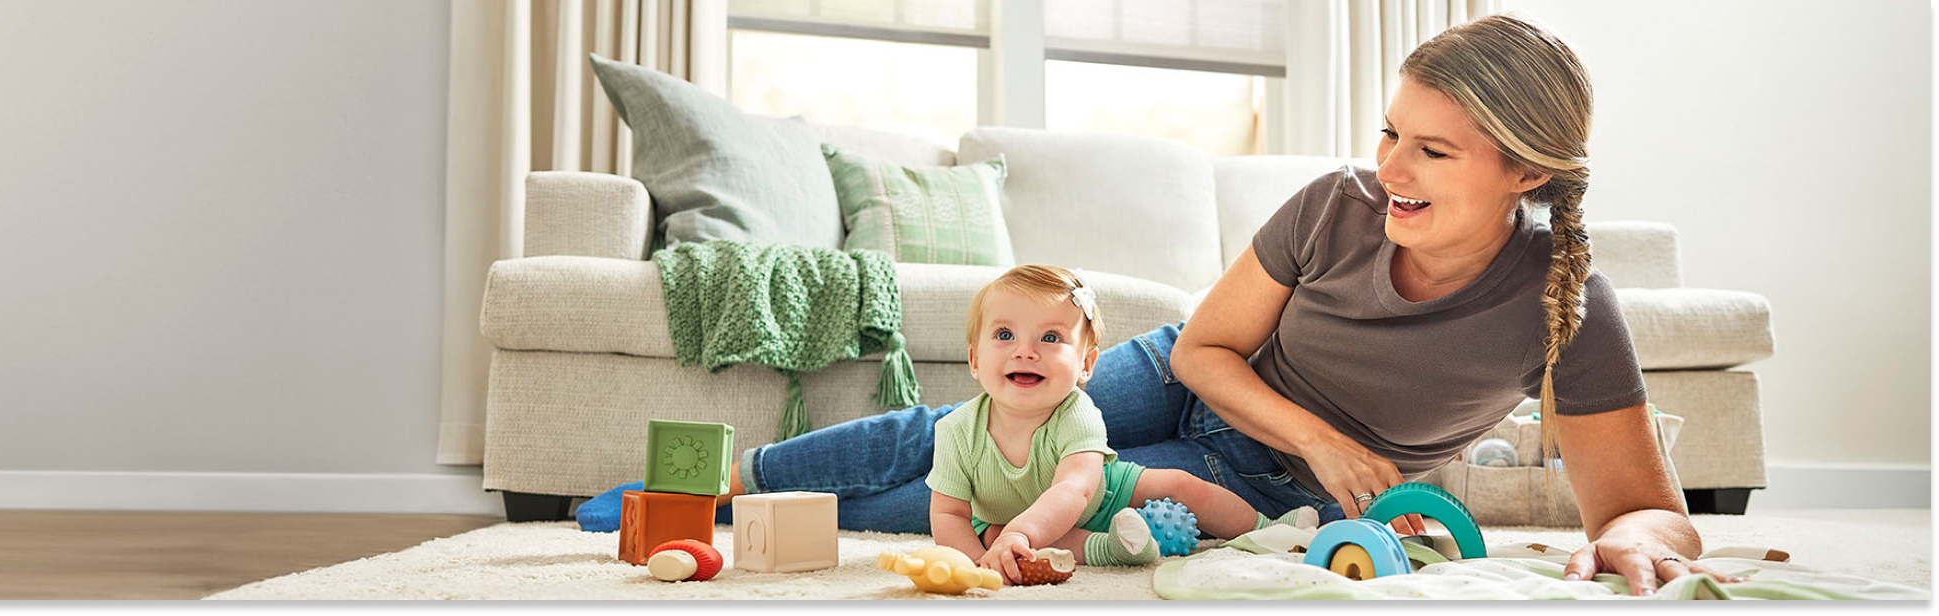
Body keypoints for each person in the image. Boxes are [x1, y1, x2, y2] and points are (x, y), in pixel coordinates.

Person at [584, 14, 1728, 596]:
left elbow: (1642, 506)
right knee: (959, 438)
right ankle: (717, 485)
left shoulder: (1564, 306)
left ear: (1525, 174)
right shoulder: (1331, 208)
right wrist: (1323, 435)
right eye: (1389, 131)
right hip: (1196, 381)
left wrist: (1630, 548)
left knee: (943, 514)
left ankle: (739, 530)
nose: (1390, 167)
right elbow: (1212, 351)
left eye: (1432, 151)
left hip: (1262, 488)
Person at [926, 265, 1272, 583]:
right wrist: (976, 566)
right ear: (974, 360)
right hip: (1009, 521)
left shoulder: (1079, 412)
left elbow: (1074, 490)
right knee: (995, 535)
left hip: (1103, 496)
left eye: (1050, 338)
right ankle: (1114, 549)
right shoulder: (955, 429)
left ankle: (1266, 530)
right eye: (1004, 335)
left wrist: (1021, 533)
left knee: (1184, 486)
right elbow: (949, 513)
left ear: (1086, 364)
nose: (1025, 352)